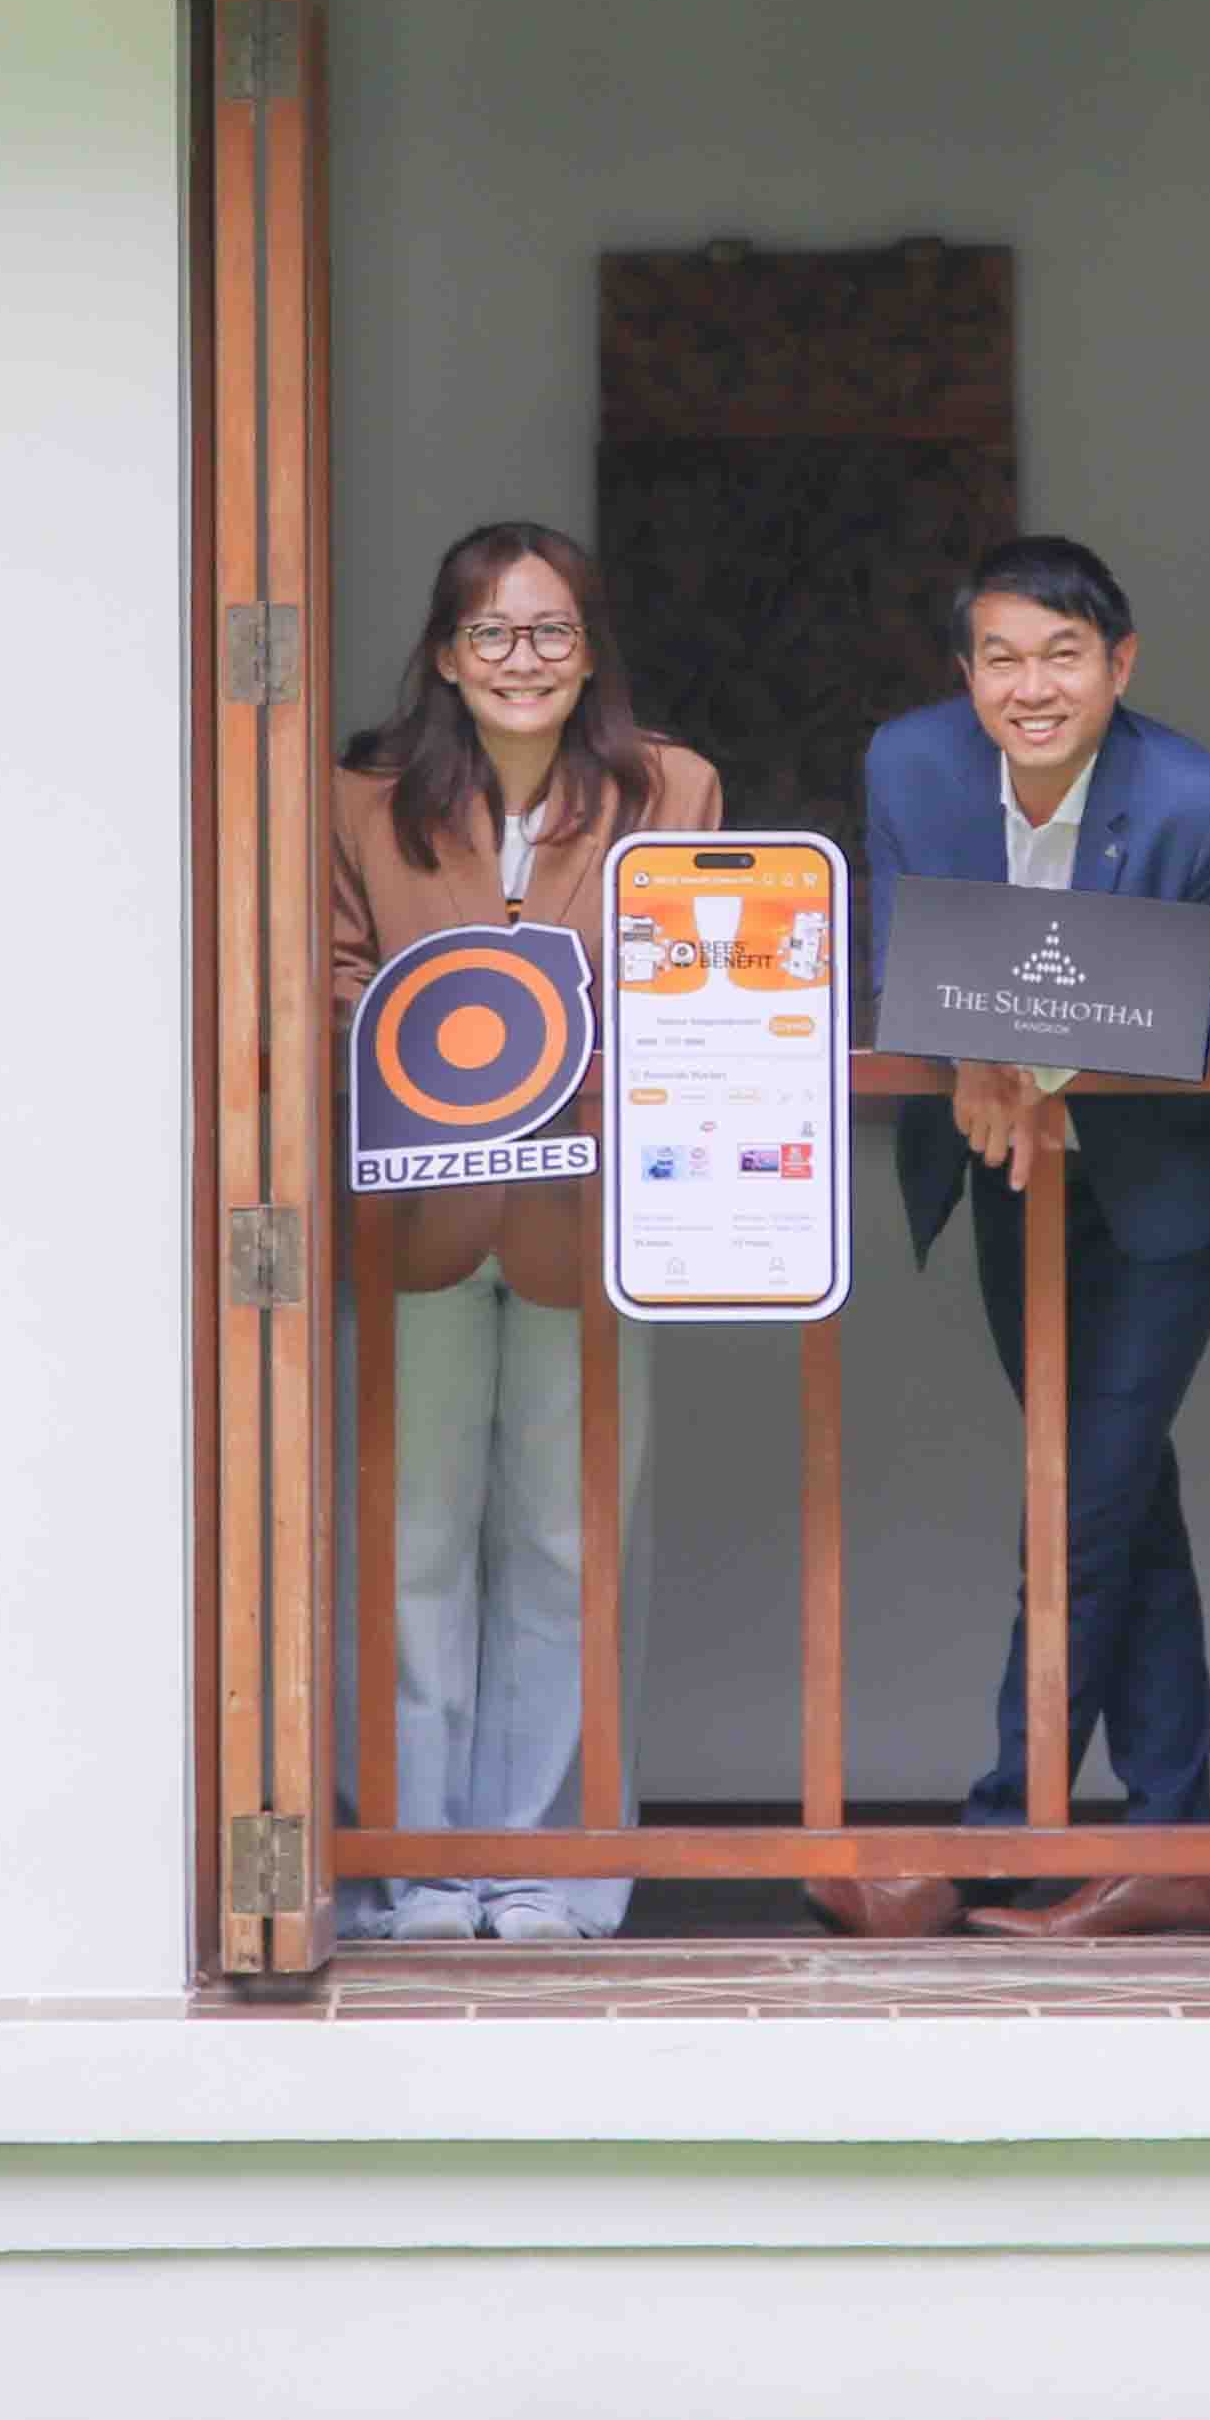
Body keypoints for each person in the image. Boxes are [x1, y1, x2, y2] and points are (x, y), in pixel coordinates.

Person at [816, 534, 1210, 1942]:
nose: (1032, 686)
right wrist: (972, 1056)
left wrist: (1028, 1062)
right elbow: (901, 958)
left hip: (1165, 1197)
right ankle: (1171, 1836)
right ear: (965, 675)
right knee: (1119, 1493)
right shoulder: (912, 766)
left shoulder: (1192, 798)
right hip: (1012, 1178)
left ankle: (1002, 1831)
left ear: (1120, 665)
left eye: (1063, 655)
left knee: (1079, 1497)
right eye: (1000, 658)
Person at [321, 521, 720, 1941]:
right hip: (416, 1217)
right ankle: (415, 1870)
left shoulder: (669, 787)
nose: (521, 659)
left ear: (589, 650)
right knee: (410, 1550)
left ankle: (552, 1874)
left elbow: (691, 977)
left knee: (570, 1547)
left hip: (589, 1219)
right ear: (444, 654)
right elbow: (333, 979)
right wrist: (442, 1043)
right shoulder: (362, 800)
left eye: (550, 630)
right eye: (489, 632)